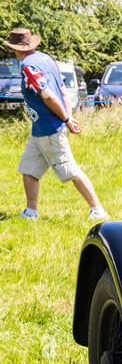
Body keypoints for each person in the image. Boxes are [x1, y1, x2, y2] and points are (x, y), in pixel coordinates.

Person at [4, 28, 107, 220]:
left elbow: (49, 95)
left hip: (49, 128)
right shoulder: (45, 59)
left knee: (69, 169)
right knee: (28, 168)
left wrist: (67, 119)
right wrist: (69, 115)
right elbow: (63, 90)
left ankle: (97, 208)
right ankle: (30, 212)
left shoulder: (28, 67)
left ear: (17, 49)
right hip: (40, 129)